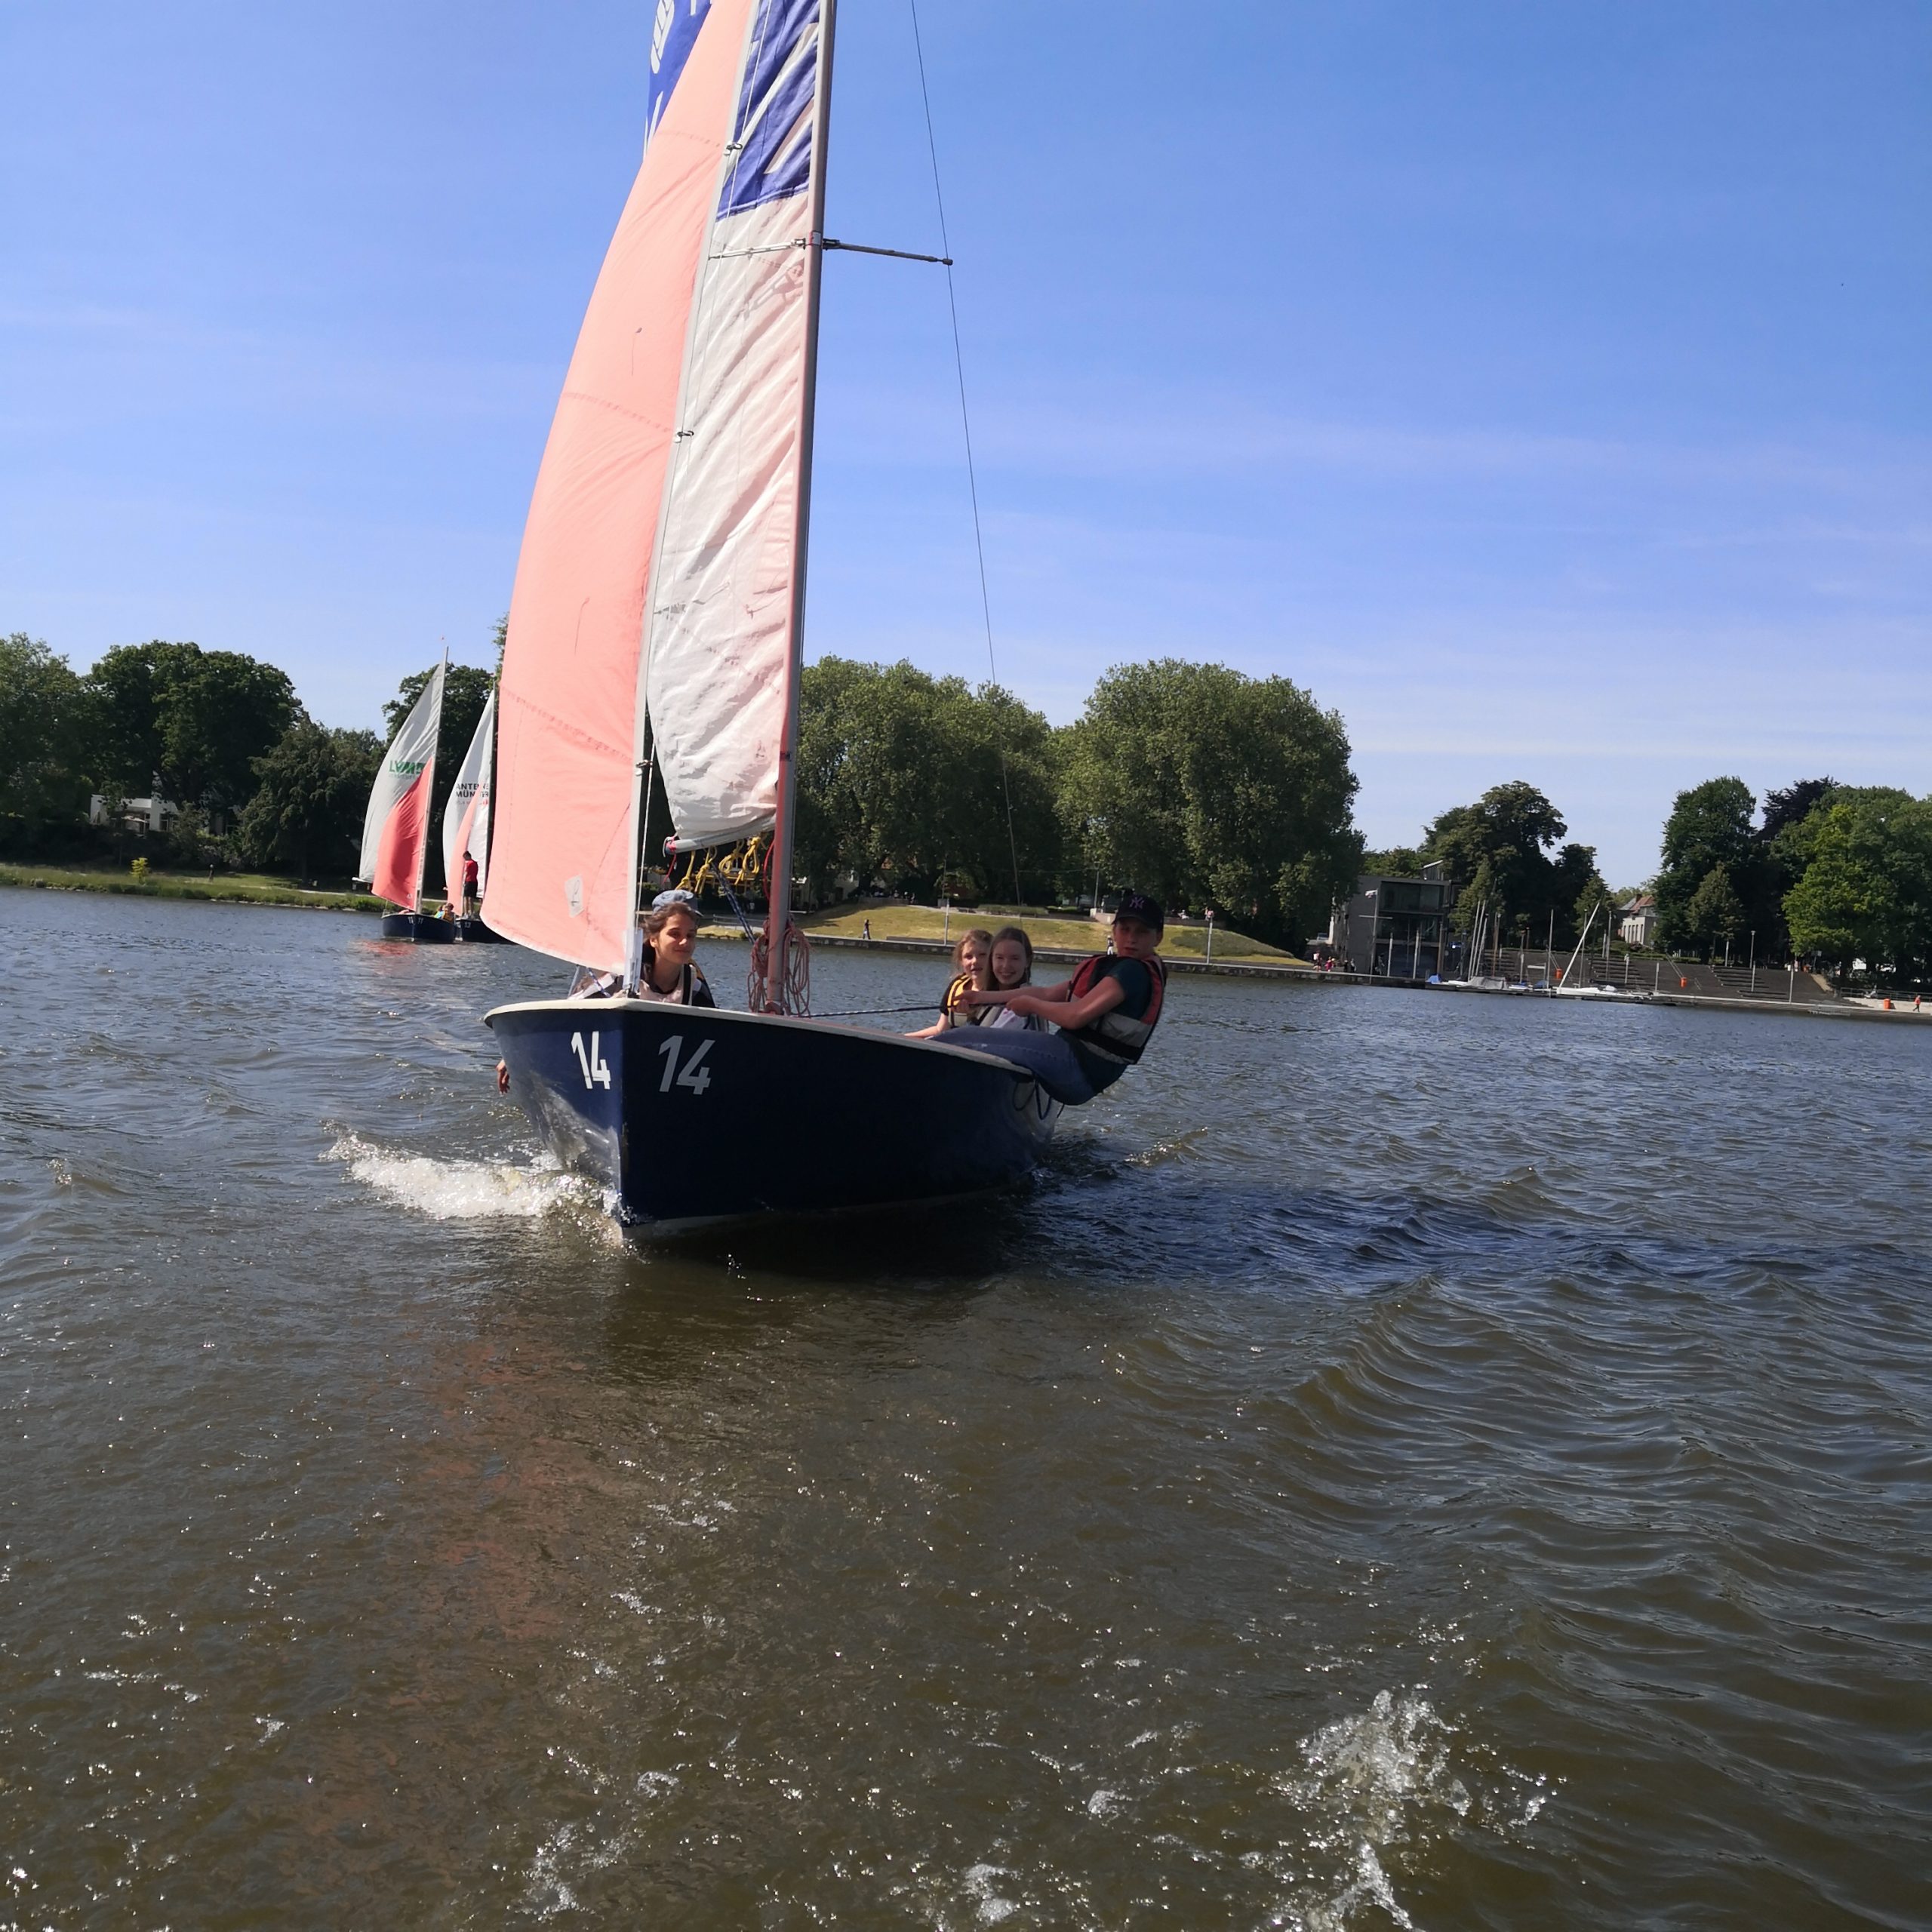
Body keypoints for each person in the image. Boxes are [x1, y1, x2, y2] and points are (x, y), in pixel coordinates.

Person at [955, 891, 1168, 1105]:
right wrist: (981, 997)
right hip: (1079, 1073)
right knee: (972, 1040)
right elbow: (1046, 993)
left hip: (1074, 1068)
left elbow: (1074, 1017)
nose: (1131, 939)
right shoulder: (1123, 969)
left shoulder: (1132, 973)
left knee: (962, 1038)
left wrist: (1031, 1006)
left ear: (1158, 937)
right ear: (1114, 931)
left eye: (1141, 932)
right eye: (1125, 929)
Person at [907, 928, 994, 1039]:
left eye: (982, 955)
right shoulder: (956, 986)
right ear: (961, 961)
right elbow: (940, 1030)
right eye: (968, 957)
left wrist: (966, 1019)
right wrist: (903, 1038)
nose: (975, 961)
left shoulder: (1000, 990)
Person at [983, 925, 1044, 1031]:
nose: (1006, 966)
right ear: (991, 959)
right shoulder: (982, 998)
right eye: (1000, 958)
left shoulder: (1029, 1007)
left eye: (1015, 958)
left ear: (1027, 961)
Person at [460, 849, 480, 917]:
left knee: (466, 898)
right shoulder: (475, 863)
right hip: (474, 881)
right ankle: (471, 912)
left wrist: (463, 882)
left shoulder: (468, 863)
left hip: (468, 881)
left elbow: (466, 873)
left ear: (467, 856)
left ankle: (466, 913)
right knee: (471, 899)